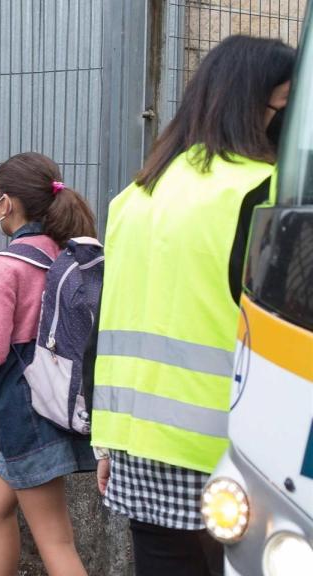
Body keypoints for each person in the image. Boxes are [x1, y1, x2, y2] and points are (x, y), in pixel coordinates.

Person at [92, 36, 295, 576]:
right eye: (286, 106)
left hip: (137, 446)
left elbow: (110, 326)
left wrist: (106, 443)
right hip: (231, 455)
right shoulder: (263, 190)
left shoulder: (135, 196)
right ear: (254, 107)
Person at [0, 153, 97, 576]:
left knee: (56, 542)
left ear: (7, 204)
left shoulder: (5, 266)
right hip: (61, 397)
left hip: (25, 408)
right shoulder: (63, 254)